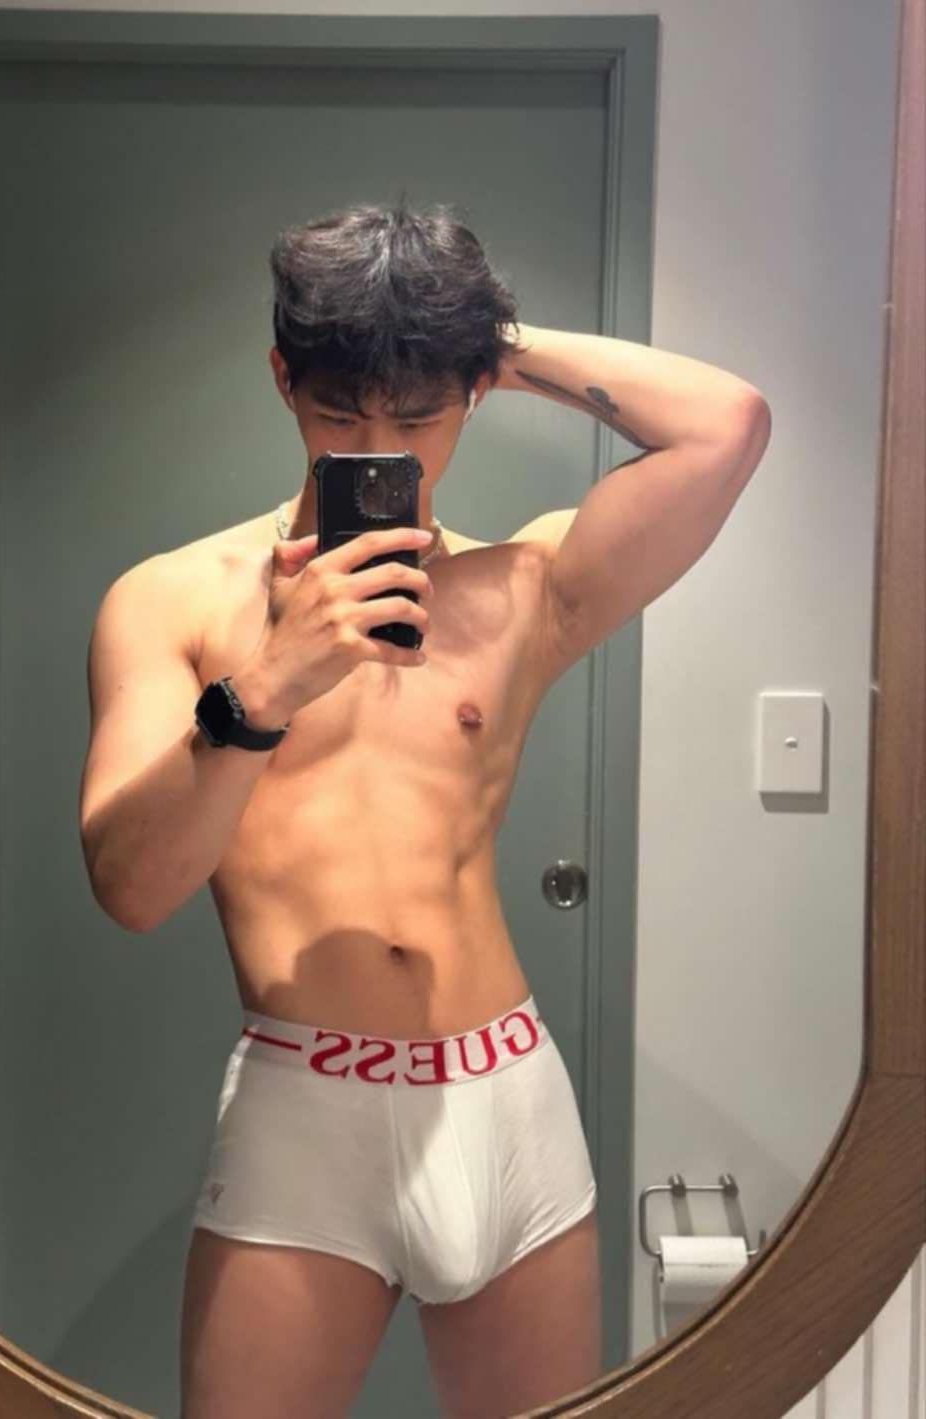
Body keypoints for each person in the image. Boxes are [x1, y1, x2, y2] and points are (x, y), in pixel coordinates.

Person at [80, 197, 769, 1419]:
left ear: (471, 397)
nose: (373, 446)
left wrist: (485, 341)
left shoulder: (522, 591)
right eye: (338, 411)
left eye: (414, 416)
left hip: (505, 1099)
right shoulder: (170, 601)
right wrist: (266, 688)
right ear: (282, 380)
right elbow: (130, 889)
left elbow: (726, 424)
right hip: (307, 1109)